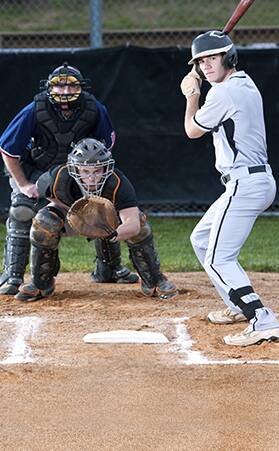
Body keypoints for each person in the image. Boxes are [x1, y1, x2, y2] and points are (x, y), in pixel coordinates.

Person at [0, 62, 137, 295]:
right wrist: (23, 184)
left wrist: (93, 180)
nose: (64, 92)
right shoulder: (35, 109)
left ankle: (109, 269)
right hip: (38, 173)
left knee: (102, 209)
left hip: (79, 174)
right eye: (58, 86)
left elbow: (106, 147)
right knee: (22, 211)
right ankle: (12, 274)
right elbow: (8, 149)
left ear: (81, 88)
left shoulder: (94, 109)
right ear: (49, 88)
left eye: (71, 86)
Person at [180, 30, 279, 346]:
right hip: (251, 181)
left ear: (229, 57)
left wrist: (191, 94)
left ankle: (261, 319)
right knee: (201, 238)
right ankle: (238, 305)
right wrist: (202, 81)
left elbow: (192, 130)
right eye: (201, 61)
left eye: (213, 58)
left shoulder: (223, 94)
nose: (207, 66)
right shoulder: (244, 83)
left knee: (218, 258)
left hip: (245, 184)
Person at [14, 138, 177, 302]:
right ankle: (40, 283)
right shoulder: (57, 178)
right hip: (72, 215)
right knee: (44, 221)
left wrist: (111, 233)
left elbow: (132, 224)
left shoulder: (118, 183)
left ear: (106, 168)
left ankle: (154, 280)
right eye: (85, 171)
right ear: (75, 168)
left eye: (97, 170)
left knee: (141, 224)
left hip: (108, 221)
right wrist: (76, 213)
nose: (91, 177)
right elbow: (49, 197)